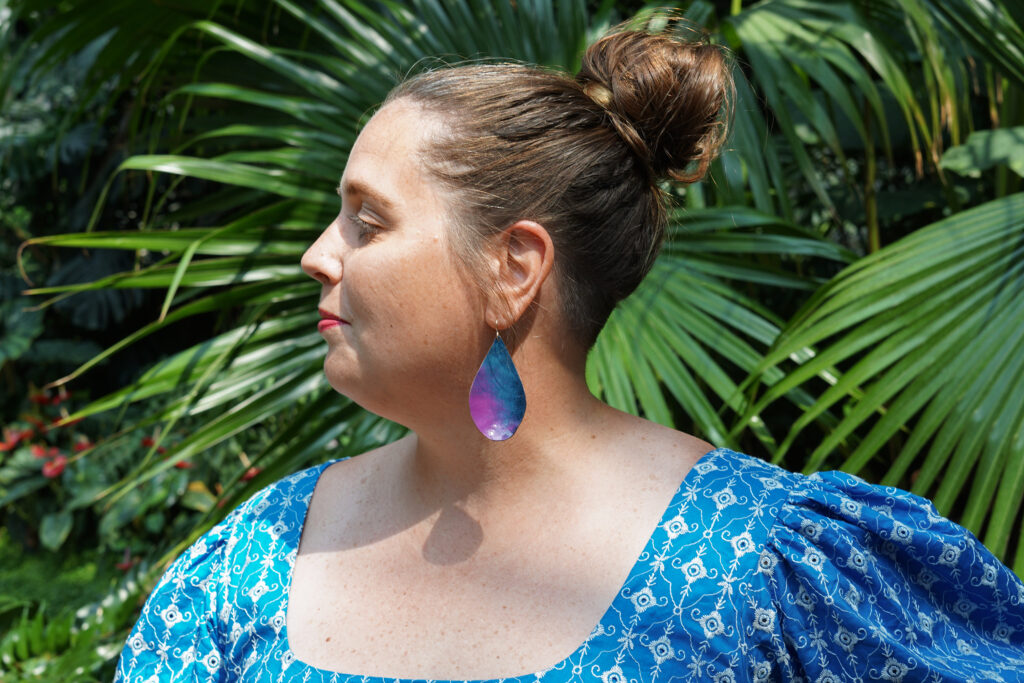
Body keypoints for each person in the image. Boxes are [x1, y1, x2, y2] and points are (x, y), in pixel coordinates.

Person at [114, 22, 1024, 683]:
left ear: (514, 268)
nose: (318, 253)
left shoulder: (772, 569)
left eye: (368, 219)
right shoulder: (249, 568)